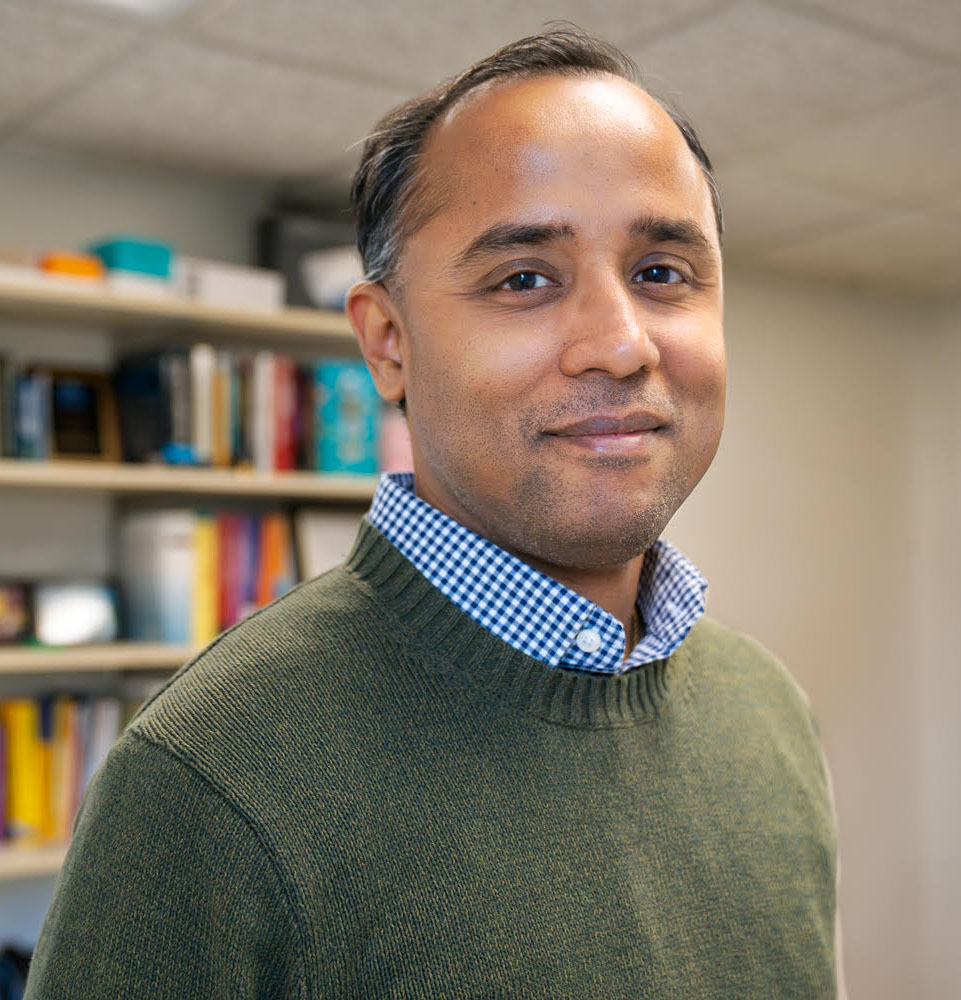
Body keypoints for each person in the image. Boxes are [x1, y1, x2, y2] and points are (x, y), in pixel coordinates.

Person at [26, 27, 844, 999]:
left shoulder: (768, 714)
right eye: (524, 278)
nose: (621, 345)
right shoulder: (211, 776)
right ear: (387, 345)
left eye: (661, 271)